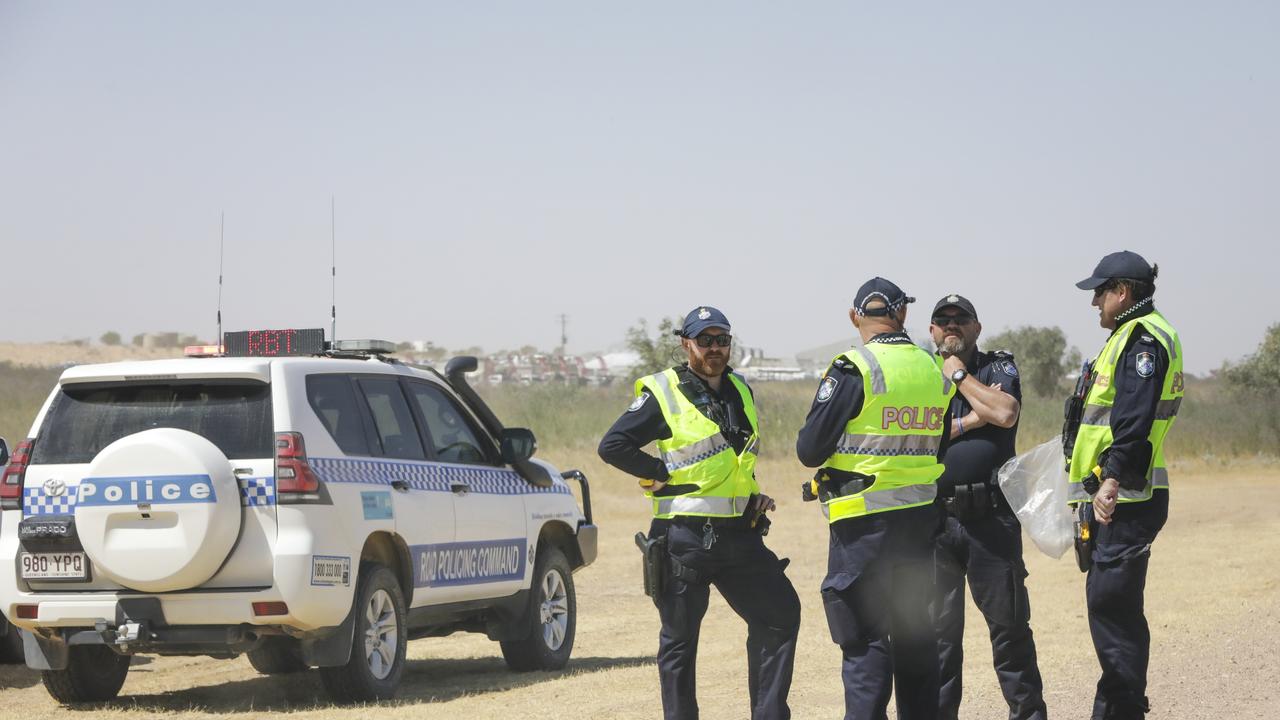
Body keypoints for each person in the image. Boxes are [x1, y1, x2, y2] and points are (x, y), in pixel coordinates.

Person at [598, 306, 801, 720]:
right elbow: (612, 445)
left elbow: (735, 458)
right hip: (684, 538)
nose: (714, 348)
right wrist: (657, 473)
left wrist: (753, 495)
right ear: (685, 343)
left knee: (780, 615)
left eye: (721, 340)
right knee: (679, 641)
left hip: (740, 534)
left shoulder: (740, 389)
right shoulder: (664, 390)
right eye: (704, 340)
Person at [795, 278, 954, 720]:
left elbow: (809, 450)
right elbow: (936, 447)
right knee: (916, 639)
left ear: (854, 318)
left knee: (864, 642)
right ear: (903, 315)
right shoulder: (932, 367)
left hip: (863, 525)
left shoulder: (855, 367)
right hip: (920, 525)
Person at [1065, 251, 1183, 720]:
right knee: (1112, 610)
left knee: (1113, 612)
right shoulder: (1129, 337)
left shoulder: (1141, 341)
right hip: (1119, 498)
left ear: (1123, 293)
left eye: (1100, 291)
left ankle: (1121, 710)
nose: (1094, 301)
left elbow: (1132, 420)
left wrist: (1109, 480)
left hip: (1125, 499)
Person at [927, 294, 1048, 720]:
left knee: (1010, 631)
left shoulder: (997, 365)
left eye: (962, 319)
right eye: (943, 320)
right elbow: (923, 438)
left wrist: (958, 374)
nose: (952, 325)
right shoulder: (921, 373)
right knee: (938, 640)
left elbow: (1006, 411)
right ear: (932, 331)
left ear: (977, 328)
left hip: (991, 521)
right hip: (936, 523)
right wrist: (973, 420)